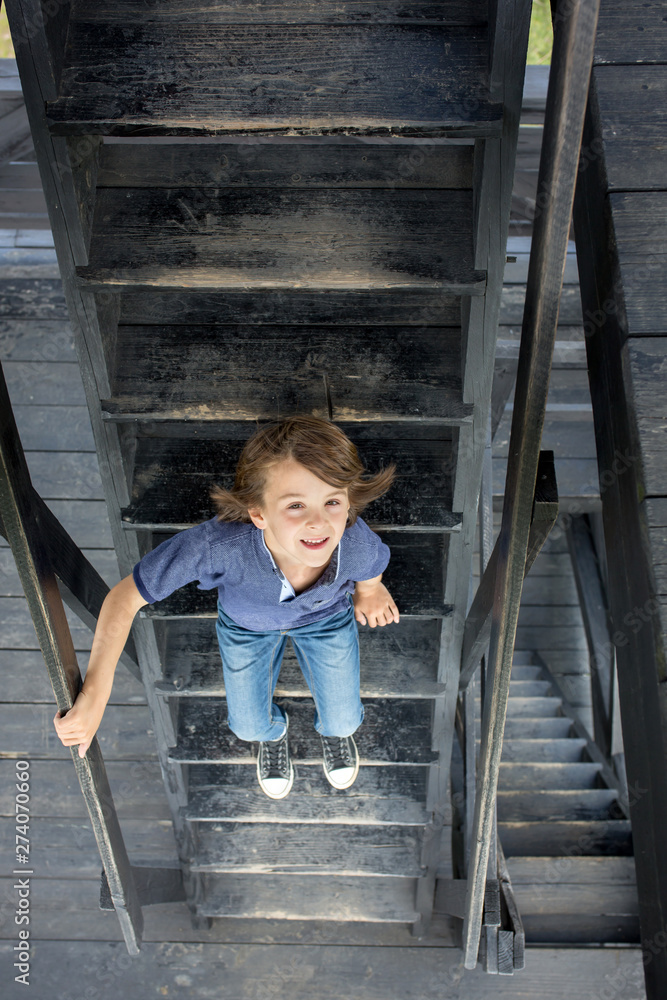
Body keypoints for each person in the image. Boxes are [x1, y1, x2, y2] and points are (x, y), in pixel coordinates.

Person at [54, 415, 400, 800]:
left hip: (324, 618)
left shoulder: (354, 541)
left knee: (345, 720)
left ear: (349, 502)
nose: (320, 522)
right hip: (247, 627)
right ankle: (272, 734)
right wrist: (95, 694)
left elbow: (371, 565)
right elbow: (125, 596)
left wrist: (370, 590)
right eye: (296, 505)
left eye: (332, 501)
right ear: (259, 513)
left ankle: (334, 735)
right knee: (248, 726)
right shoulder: (217, 546)